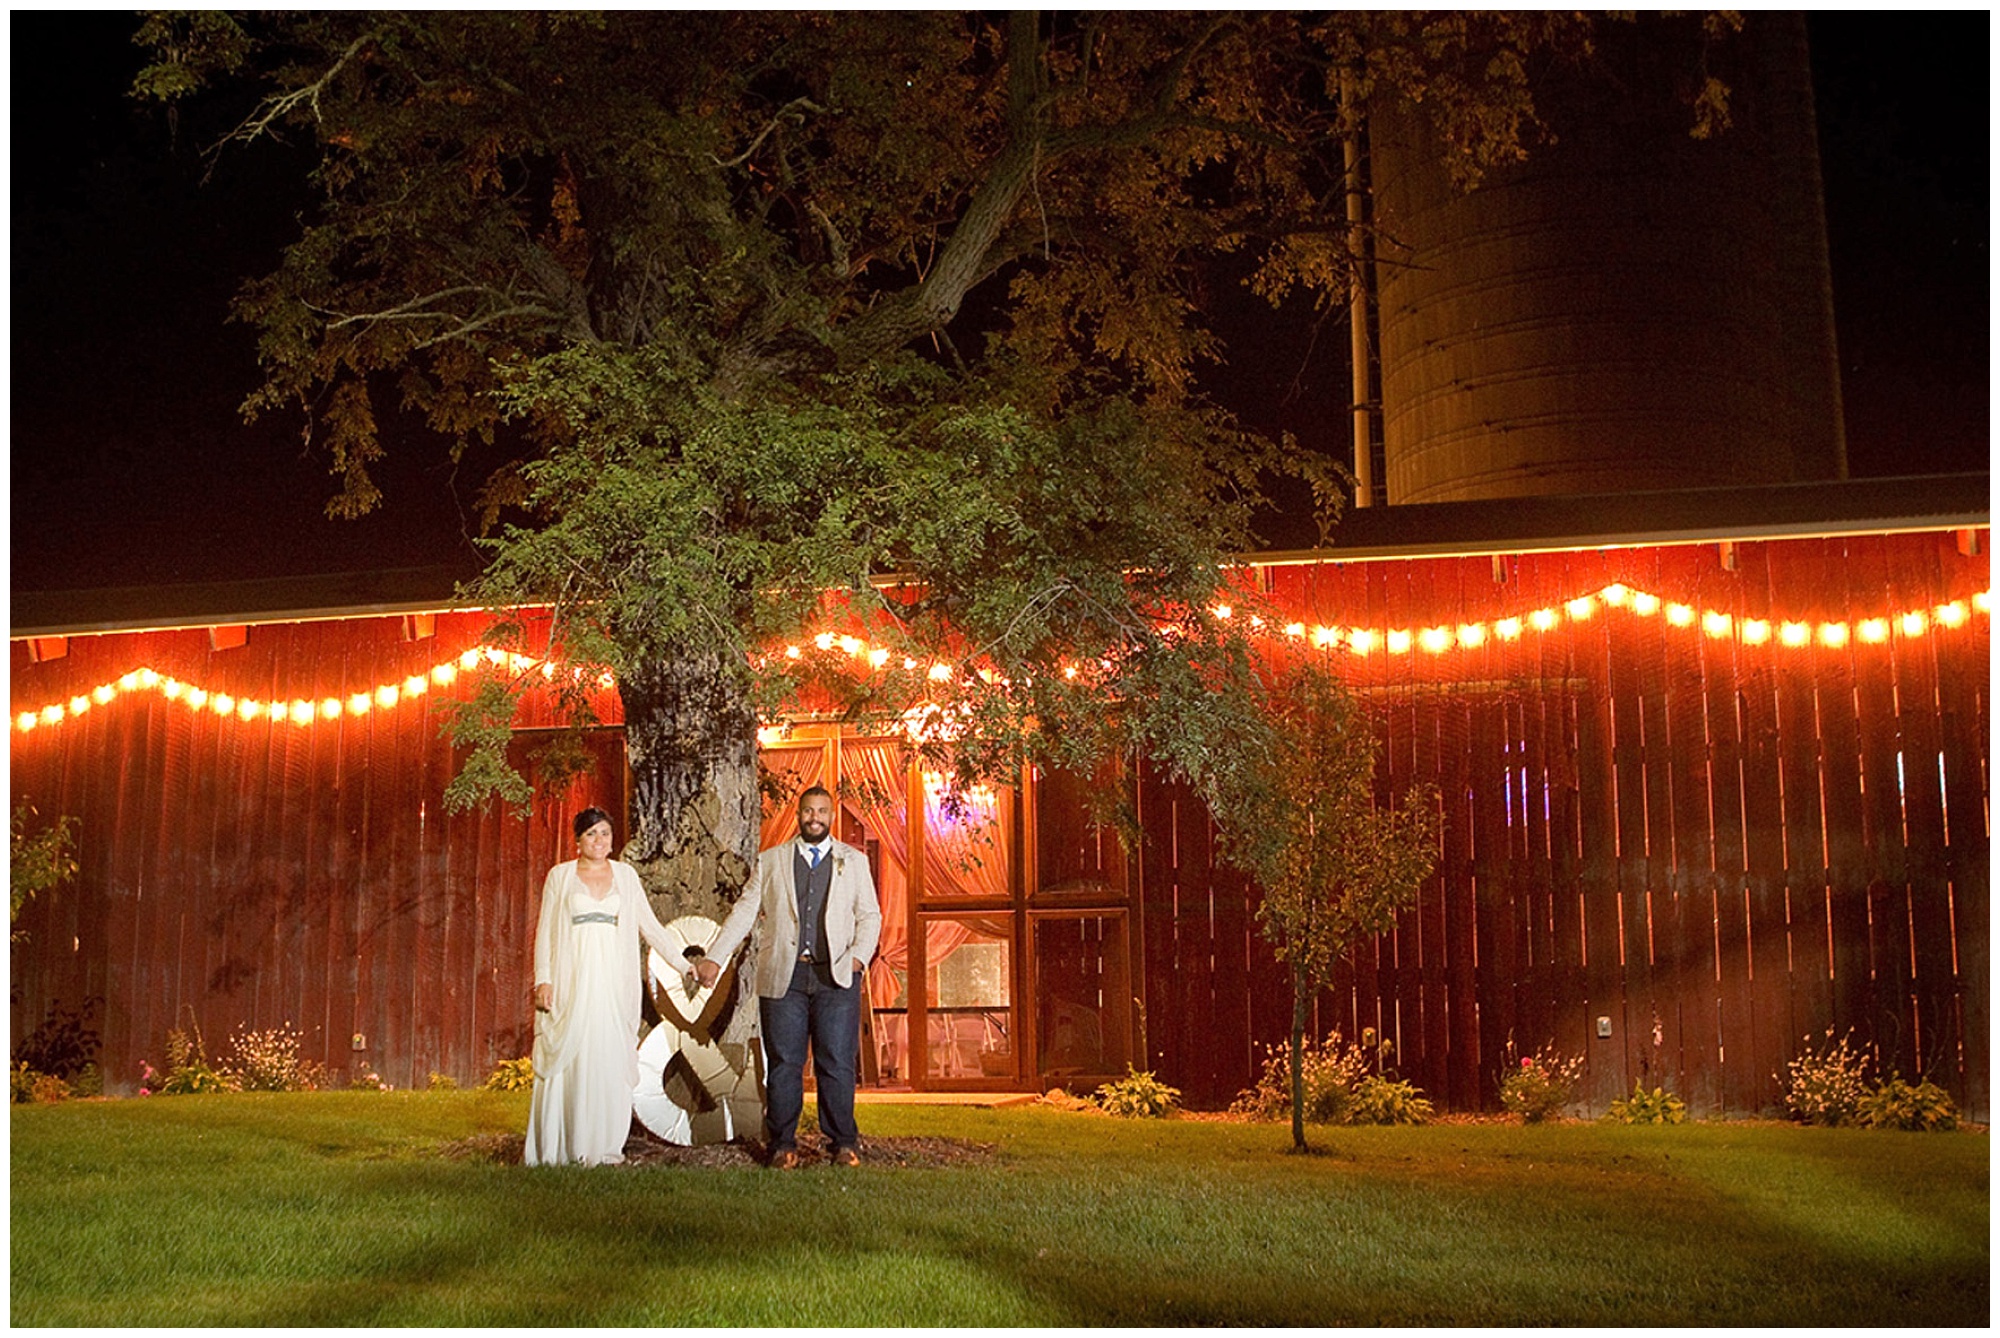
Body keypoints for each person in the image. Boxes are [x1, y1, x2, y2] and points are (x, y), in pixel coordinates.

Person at [696, 784, 881, 1168]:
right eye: (808, 811)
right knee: (784, 1063)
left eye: (822, 812)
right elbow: (744, 914)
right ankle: (782, 1144)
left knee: (837, 1062)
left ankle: (843, 1142)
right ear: (799, 815)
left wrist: (858, 958)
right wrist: (715, 958)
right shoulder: (772, 861)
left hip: (836, 978)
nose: (815, 818)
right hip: (786, 977)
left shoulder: (854, 861)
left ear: (832, 816)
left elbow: (870, 916)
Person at [525, 806, 677, 1166]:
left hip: (611, 983)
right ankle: (560, 1145)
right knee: (571, 1058)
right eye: (591, 833)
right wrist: (543, 979)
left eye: (605, 833)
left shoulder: (625, 877)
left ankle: (603, 1146)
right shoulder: (560, 877)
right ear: (577, 839)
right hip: (571, 981)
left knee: (606, 1056)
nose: (599, 840)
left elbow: (651, 927)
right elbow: (545, 931)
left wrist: (685, 965)